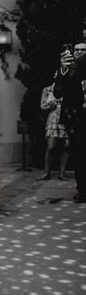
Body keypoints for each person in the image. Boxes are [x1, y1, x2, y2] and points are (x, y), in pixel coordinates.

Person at [53, 42, 86, 203]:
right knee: (79, 155)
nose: (79, 52)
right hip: (75, 120)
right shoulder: (68, 71)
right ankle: (82, 190)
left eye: (83, 50)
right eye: (76, 50)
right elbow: (58, 92)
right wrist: (64, 69)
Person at [38, 82, 70, 181]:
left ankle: (62, 173)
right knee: (51, 146)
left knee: (67, 146)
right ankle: (47, 172)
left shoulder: (69, 88)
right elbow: (43, 106)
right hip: (53, 119)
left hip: (67, 119)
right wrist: (52, 103)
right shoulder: (48, 89)